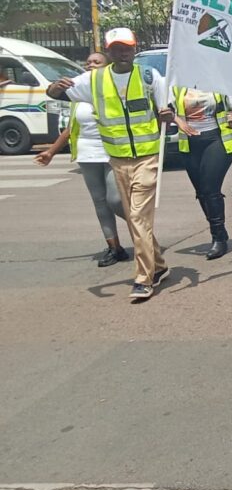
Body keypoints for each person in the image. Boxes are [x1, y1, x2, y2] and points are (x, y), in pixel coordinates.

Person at [46, 28, 174, 301]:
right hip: (117, 160)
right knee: (134, 219)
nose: (122, 52)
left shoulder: (150, 77)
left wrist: (167, 114)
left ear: (135, 48)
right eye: (116, 48)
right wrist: (54, 88)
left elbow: (168, 109)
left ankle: (144, 278)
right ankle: (159, 263)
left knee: (138, 217)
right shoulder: (94, 80)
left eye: (126, 47)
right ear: (108, 52)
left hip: (147, 158)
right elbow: (57, 92)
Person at [36, 51, 128, 267]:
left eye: (97, 62)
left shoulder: (112, 89)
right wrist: (51, 152)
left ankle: (142, 232)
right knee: (100, 202)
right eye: (88, 62)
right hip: (87, 153)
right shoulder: (77, 93)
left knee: (114, 200)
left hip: (112, 151)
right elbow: (70, 128)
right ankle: (115, 248)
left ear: (107, 66)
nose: (91, 65)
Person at [171, 85, 232, 259]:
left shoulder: (218, 80)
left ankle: (218, 237)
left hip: (216, 139)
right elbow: (164, 109)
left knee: (210, 188)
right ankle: (219, 231)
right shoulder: (177, 84)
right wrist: (177, 120)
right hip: (190, 143)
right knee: (201, 192)